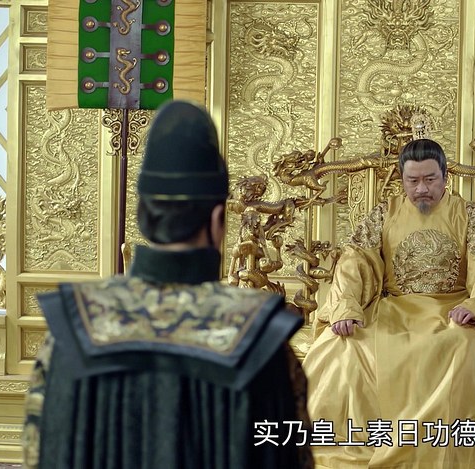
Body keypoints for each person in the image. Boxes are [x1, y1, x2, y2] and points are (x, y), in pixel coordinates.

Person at [21, 101, 313, 469]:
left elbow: (38, 451)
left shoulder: (73, 328)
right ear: (218, 220)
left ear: (142, 216)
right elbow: (292, 456)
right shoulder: (260, 338)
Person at [302, 138, 475, 468]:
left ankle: (444, 452)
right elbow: (354, 261)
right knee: (338, 344)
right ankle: (350, 447)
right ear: (401, 179)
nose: (422, 189)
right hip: (394, 309)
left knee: (466, 346)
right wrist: (346, 306)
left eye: (430, 179)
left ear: (445, 177)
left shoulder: (469, 216)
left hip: (451, 310)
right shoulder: (384, 214)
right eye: (412, 181)